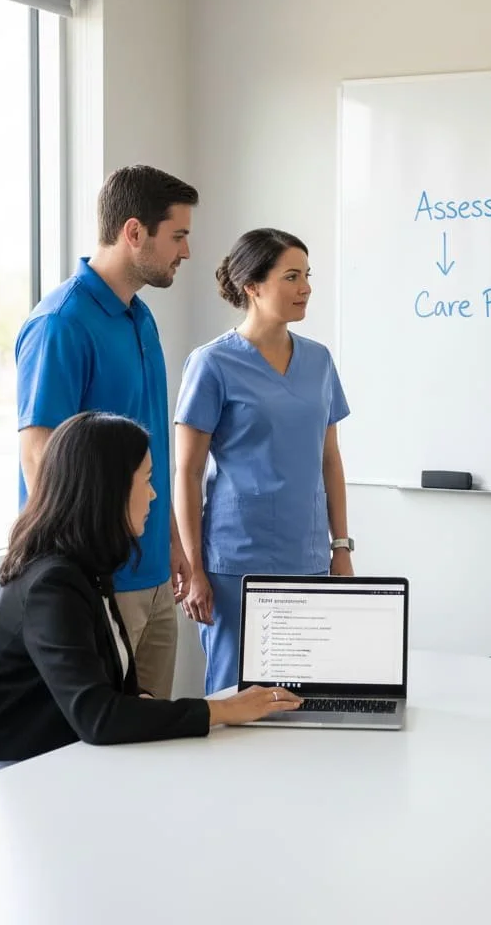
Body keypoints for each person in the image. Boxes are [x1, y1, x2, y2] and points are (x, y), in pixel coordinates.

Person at [0, 412, 301, 766]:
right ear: (109, 488)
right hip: (17, 777)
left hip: (69, 762)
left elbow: (115, 692)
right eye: (147, 480)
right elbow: (98, 717)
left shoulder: (88, 567)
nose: (153, 495)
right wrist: (222, 710)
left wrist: (149, 705)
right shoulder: (51, 585)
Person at [15, 165, 196, 699]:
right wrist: (89, 576)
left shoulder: (139, 317)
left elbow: (151, 446)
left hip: (156, 572)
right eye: (178, 236)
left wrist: (174, 542)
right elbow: (40, 457)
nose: (185, 252)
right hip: (101, 580)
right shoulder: (61, 323)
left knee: (155, 739)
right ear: (134, 232)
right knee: (98, 754)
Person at [173, 228, 354, 693]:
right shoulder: (211, 364)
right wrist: (194, 569)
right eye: (291, 276)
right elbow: (187, 472)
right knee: (237, 701)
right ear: (252, 285)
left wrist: (341, 547)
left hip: (309, 556)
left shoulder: (319, 361)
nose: (306, 288)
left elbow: (329, 459)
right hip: (237, 563)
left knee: (306, 696)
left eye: (307, 275)